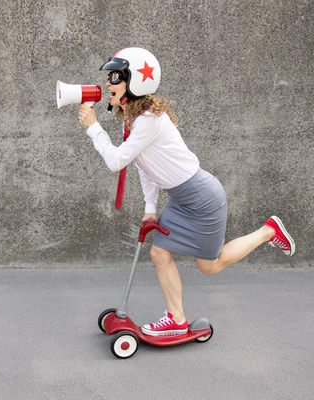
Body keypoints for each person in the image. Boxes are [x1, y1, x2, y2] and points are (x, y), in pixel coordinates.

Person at [78, 47, 295, 337]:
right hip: (181, 199)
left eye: (116, 76)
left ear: (135, 83)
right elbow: (145, 167)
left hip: (203, 199)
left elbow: (117, 161)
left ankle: (268, 231)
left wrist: (94, 128)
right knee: (159, 254)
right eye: (110, 75)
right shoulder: (135, 119)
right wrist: (150, 208)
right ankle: (177, 319)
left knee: (209, 266)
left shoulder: (148, 122)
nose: (108, 82)